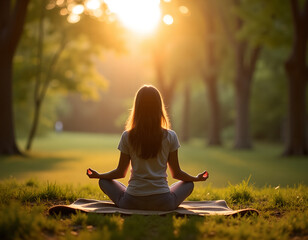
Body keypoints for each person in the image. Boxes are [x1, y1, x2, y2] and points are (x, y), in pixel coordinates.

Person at [87, 85, 208, 211]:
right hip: (164, 203)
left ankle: (125, 198)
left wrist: (98, 175)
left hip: (131, 202)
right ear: (159, 108)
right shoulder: (170, 136)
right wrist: (196, 178)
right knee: (188, 184)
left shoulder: (127, 136)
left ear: (137, 108)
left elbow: (120, 172)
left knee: (103, 181)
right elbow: (177, 173)